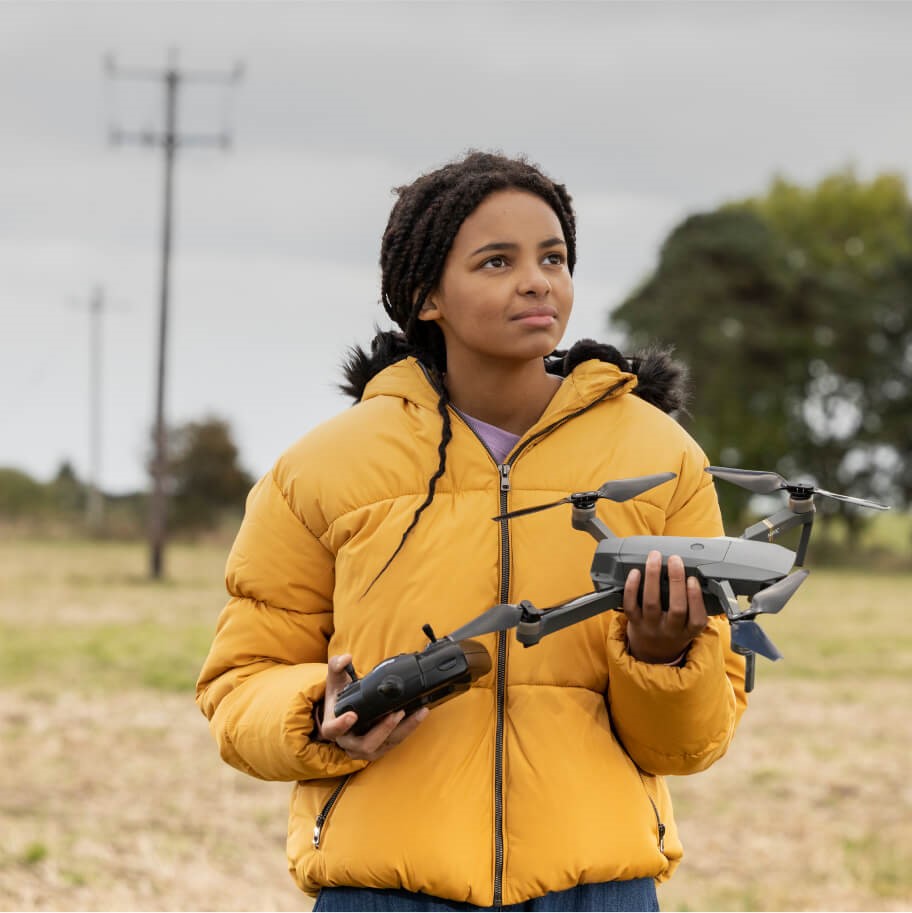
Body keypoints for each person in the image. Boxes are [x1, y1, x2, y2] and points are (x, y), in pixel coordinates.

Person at [196, 151, 748, 912]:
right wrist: (317, 713)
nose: (536, 281)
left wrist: (662, 654)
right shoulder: (320, 469)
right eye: (497, 261)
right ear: (427, 296)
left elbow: (690, 742)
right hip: (383, 891)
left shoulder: (661, 458)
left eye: (553, 257)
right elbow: (238, 685)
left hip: (596, 891)